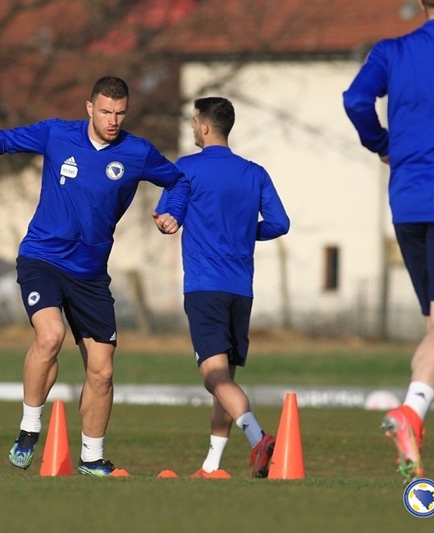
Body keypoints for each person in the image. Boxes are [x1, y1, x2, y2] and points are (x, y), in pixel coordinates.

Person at [0, 76, 189, 476]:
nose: (113, 120)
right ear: (89, 108)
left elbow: (178, 180)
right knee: (50, 335)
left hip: (91, 273)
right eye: (105, 111)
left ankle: (92, 458)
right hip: (42, 257)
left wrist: (174, 213)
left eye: (120, 113)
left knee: (103, 370)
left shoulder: (137, 152)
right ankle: (29, 429)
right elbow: (8, 139)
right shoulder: (57, 134)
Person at [343, 0, 434, 483]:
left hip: (409, 202)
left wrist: (382, 144)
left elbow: (355, 101)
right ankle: (411, 412)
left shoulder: (392, 50)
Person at [156, 97, 290, 479]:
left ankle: (259, 438)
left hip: (205, 288)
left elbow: (170, 216)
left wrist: (166, 221)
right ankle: (212, 466)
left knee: (213, 376)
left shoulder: (187, 169)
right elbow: (280, 224)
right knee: (225, 380)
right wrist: (245, 232)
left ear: (203, 126)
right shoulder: (254, 173)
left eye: (194, 121)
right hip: (240, 291)